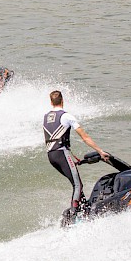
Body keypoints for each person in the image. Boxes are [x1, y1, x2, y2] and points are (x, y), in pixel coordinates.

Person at [44, 89, 109, 218]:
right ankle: (74, 214)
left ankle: (84, 209)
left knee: (76, 184)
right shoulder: (66, 116)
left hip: (51, 156)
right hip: (62, 154)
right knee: (78, 184)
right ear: (63, 100)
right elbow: (85, 137)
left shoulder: (46, 117)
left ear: (51, 102)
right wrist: (100, 151)